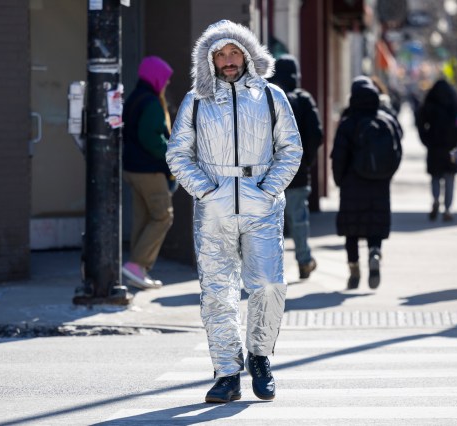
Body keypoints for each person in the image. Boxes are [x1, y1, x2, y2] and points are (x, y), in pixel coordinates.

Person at [166, 20, 302, 403]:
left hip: (262, 205)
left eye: (233, 52)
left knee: (270, 285)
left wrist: (269, 188)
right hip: (214, 209)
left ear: (246, 54)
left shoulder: (272, 96)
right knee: (217, 293)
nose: (228, 60)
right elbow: (178, 153)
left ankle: (259, 356)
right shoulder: (195, 101)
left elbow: (291, 148)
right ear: (209, 59)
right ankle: (227, 371)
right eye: (220, 54)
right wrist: (207, 190)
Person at [331, 76, 402, 290]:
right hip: (379, 183)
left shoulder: (347, 123)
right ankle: (375, 252)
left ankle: (354, 270)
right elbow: (398, 151)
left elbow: (339, 156)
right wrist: (387, 174)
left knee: (351, 229)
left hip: (352, 184)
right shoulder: (386, 120)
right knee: (375, 225)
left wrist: (339, 180)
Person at [121, 56, 176, 290]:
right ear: (155, 78)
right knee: (163, 216)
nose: (167, 84)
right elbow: (151, 138)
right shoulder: (151, 102)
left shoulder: (134, 98)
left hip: (132, 168)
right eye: (165, 79)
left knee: (143, 218)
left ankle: (137, 271)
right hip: (149, 170)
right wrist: (172, 152)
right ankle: (136, 264)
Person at [268, 55, 323, 279]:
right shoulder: (303, 99)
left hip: (269, 173)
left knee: (271, 223)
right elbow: (316, 135)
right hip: (297, 172)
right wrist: (307, 161)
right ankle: (304, 261)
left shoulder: (268, 98)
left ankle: (272, 269)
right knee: (298, 218)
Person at [416, 79, 457, 221]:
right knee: (450, 178)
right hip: (452, 148)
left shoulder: (429, 105)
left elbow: (420, 123)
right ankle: (448, 208)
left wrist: (426, 139)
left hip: (435, 147)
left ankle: (436, 199)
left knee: (435, 177)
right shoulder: (454, 106)